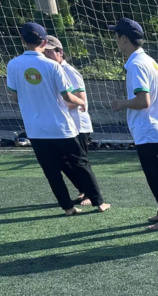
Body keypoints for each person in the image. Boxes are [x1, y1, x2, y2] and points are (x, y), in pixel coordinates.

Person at [5, 22, 108, 215]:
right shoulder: (52, 66)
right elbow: (68, 96)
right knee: (81, 163)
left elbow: (15, 97)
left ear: (22, 40)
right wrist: (81, 101)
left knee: (51, 171)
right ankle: (99, 203)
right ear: (44, 42)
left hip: (35, 129)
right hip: (61, 127)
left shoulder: (13, 64)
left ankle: (68, 208)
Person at [108, 17, 158, 231]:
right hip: (156, 127)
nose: (116, 41)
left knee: (157, 177)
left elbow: (143, 101)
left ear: (124, 38)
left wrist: (121, 103)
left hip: (149, 128)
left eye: (116, 36)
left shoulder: (136, 64)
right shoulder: (148, 60)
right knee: (155, 175)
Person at [43, 35, 94, 205]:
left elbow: (80, 98)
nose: (46, 55)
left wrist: (57, 108)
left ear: (60, 52)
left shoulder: (69, 71)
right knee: (63, 161)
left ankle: (90, 194)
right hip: (65, 125)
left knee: (79, 162)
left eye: (50, 52)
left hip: (78, 124)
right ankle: (83, 190)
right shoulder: (51, 70)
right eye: (44, 52)